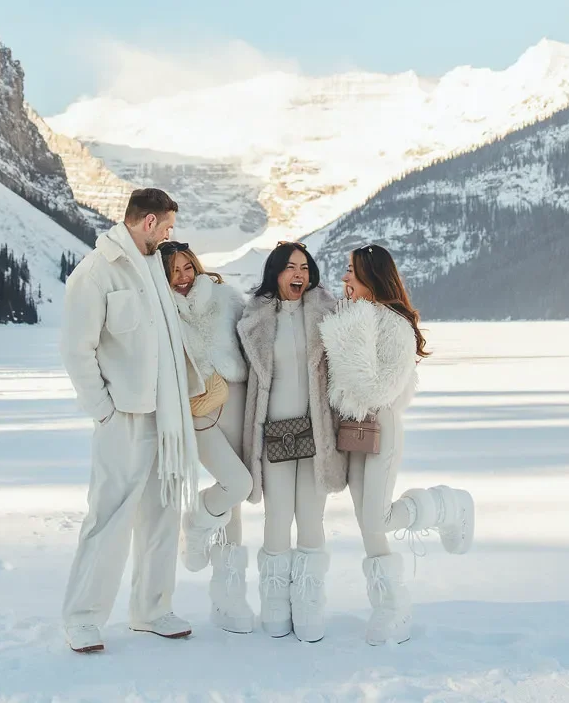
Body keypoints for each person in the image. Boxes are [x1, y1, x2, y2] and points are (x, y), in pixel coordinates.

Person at [58, 188, 201, 654]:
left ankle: (152, 608)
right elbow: (77, 349)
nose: (169, 236)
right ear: (147, 223)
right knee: (110, 518)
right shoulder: (97, 272)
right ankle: (82, 618)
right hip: (125, 416)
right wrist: (103, 410)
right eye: (167, 227)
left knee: (162, 512)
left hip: (166, 416)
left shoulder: (152, 269)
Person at [321, 243, 476, 646]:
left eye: (351, 272)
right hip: (351, 426)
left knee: (377, 518)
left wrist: (346, 334)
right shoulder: (356, 318)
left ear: (372, 277)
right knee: (366, 520)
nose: (344, 279)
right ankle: (389, 607)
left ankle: (448, 505)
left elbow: (378, 387)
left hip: (381, 425)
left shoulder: (393, 326)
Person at [237, 241, 346, 642]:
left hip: (317, 435)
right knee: (277, 517)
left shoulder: (329, 315)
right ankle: (275, 607)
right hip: (273, 436)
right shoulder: (254, 319)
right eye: (290, 267)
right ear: (276, 273)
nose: (298, 273)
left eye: (304, 266)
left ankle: (310, 603)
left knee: (312, 518)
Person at [161, 241, 254, 634]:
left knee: (234, 504)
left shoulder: (227, 298)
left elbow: (255, 344)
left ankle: (229, 599)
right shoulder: (160, 312)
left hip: (235, 403)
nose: (182, 277)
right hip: (198, 412)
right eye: (173, 272)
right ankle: (196, 519)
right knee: (238, 485)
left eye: (186, 268)